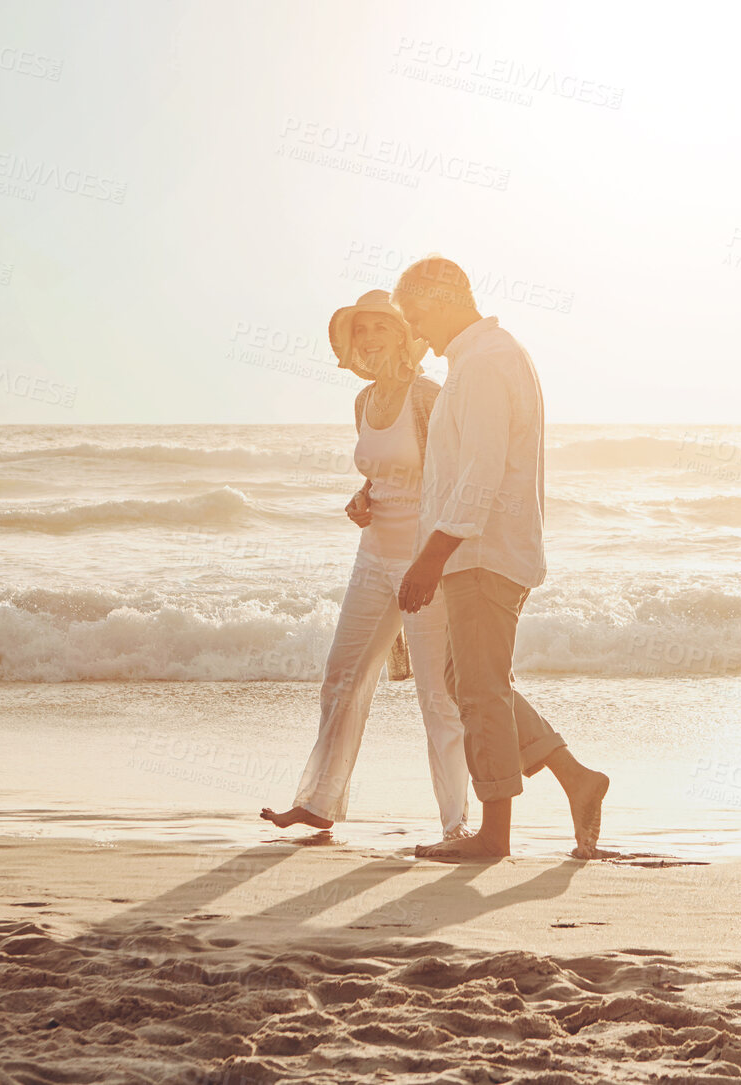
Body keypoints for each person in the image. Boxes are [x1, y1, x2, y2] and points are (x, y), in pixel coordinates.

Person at [393, 257, 611, 860]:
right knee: (465, 680)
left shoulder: (487, 362)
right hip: (481, 549)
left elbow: (480, 472)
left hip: (483, 551)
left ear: (439, 302)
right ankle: (576, 778)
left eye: (415, 317)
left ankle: (493, 836)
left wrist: (431, 557)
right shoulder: (479, 359)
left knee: (481, 690)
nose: (416, 335)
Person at [260, 289, 471, 840]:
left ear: (404, 336)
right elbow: (386, 472)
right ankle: (318, 804)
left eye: (382, 328)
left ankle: (456, 827)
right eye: (362, 332)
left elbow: (451, 477)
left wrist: (435, 561)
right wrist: (362, 496)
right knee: (342, 678)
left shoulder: (430, 395)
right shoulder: (363, 403)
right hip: (373, 556)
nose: (371, 339)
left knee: (436, 696)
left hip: (425, 564)